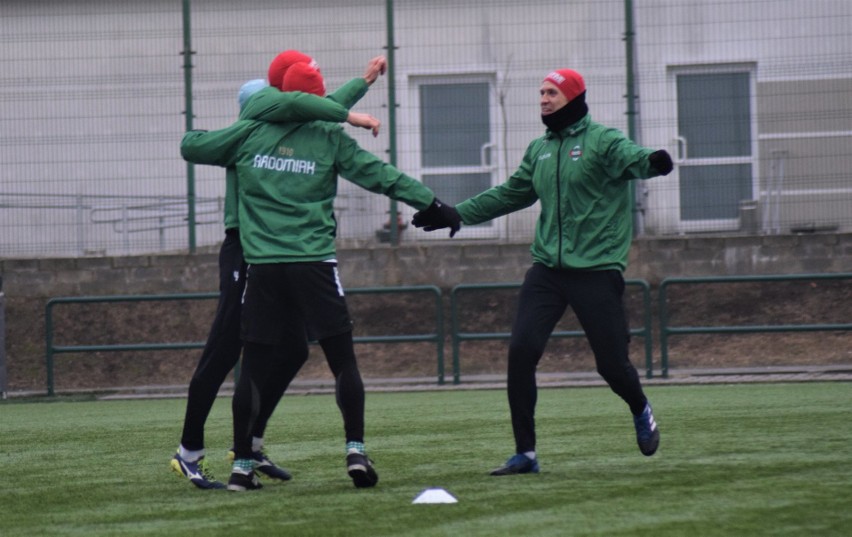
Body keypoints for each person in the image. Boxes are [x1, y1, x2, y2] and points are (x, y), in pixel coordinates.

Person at [180, 52, 454, 491]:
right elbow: (380, 175)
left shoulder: (249, 134)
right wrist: (433, 202)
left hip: (263, 266)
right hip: (314, 263)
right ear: (313, 99)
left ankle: (242, 467)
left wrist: (360, 85)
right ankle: (355, 450)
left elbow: (191, 144)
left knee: (252, 365)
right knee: (342, 359)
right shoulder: (329, 138)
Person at [413, 68, 673, 475]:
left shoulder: (602, 141)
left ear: (572, 97)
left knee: (611, 364)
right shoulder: (540, 150)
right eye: (541, 93)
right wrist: (456, 213)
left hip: (596, 269)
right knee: (521, 351)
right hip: (547, 270)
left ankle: (641, 408)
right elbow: (508, 194)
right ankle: (526, 455)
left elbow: (632, 159)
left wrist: (653, 162)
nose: (543, 99)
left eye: (551, 92)